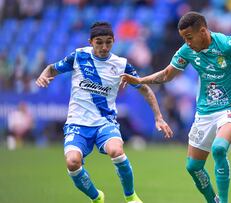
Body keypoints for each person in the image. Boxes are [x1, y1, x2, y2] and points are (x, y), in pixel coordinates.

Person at [120, 11, 231, 203]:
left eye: (189, 37)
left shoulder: (226, 44)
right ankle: (213, 200)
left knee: (218, 148)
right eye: (184, 38)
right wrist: (141, 79)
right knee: (193, 167)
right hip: (205, 113)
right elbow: (167, 74)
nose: (187, 43)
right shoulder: (187, 50)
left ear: (203, 31)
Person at [36, 21, 173, 203]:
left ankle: (131, 197)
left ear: (114, 41)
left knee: (116, 150)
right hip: (77, 122)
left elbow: (145, 89)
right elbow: (52, 68)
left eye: (108, 42)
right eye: (99, 42)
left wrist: (158, 117)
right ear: (91, 41)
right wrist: (44, 75)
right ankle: (97, 197)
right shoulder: (78, 56)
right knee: (72, 162)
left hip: (105, 122)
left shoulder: (121, 64)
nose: (104, 47)